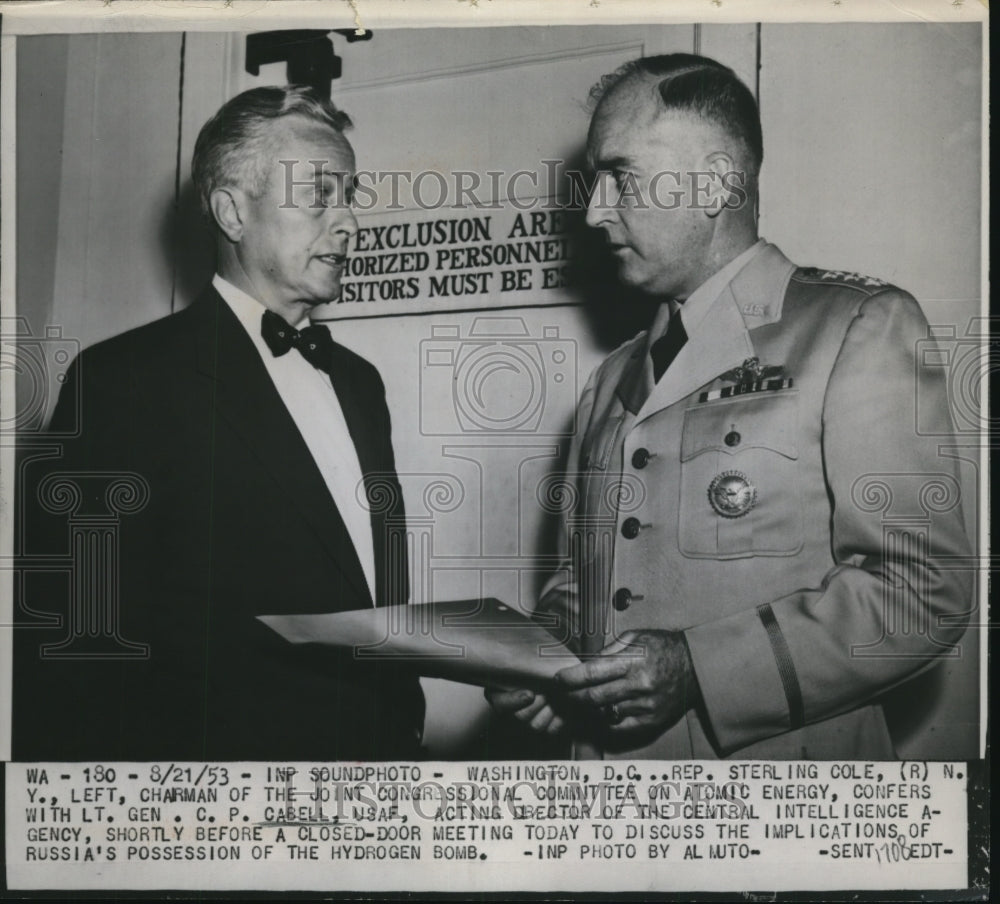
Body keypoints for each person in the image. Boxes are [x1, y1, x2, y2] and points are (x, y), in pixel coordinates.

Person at [489, 54, 972, 759]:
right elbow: (585, 575)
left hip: (780, 809)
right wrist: (550, 652)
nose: (594, 211)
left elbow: (923, 593)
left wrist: (700, 671)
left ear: (715, 182)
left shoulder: (855, 330)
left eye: (620, 175)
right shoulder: (613, 377)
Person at [14, 86, 424, 761]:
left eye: (352, 197)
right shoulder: (124, 379)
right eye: (321, 195)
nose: (350, 223)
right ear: (232, 211)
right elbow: (72, 639)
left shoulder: (360, 383)